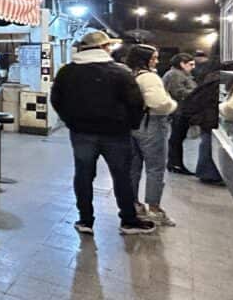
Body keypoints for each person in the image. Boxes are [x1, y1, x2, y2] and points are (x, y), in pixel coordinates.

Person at [50, 31, 156, 235]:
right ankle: (128, 220)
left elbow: (56, 100)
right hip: (116, 133)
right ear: (105, 48)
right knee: (121, 176)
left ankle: (85, 220)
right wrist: (131, 125)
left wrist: (71, 121)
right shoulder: (120, 72)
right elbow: (135, 103)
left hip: (81, 132)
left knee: (83, 175)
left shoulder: (67, 71)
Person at [125, 45, 177, 226]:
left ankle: (133, 204)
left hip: (132, 124)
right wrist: (172, 105)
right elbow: (159, 103)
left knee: (133, 167)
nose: (157, 61)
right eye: (154, 58)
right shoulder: (150, 77)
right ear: (144, 59)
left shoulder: (130, 74)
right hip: (152, 123)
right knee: (155, 168)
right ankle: (154, 208)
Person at [181, 61, 233, 185]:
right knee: (208, 144)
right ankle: (208, 174)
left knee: (207, 143)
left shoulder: (212, 78)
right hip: (210, 117)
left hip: (206, 116)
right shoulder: (219, 82)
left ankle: (207, 172)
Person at [163, 53, 196, 175]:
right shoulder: (175, 75)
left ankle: (176, 163)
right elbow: (178, 93)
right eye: (190, 64)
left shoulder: (181, 74)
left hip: (181, 110)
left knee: (178, 138)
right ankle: (175, 164)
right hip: (178, 111)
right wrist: (196, 92)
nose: (193, 67)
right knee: (176, 139)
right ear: (182, 64)